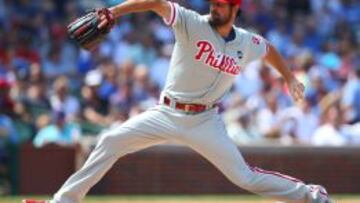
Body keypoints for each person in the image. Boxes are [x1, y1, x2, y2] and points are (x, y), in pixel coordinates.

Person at [23, 0, 332, 202]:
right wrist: (115, 12)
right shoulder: (191, 22)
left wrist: (289, 78)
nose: (215, 6)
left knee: (244, 177)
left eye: (222, 4)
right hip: (167, 112)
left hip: (205, 121)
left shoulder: (246, 43)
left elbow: (269, 50)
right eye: (213, 2)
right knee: (110, 140)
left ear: (236, 8)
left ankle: (310, 194)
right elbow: (157, 3)